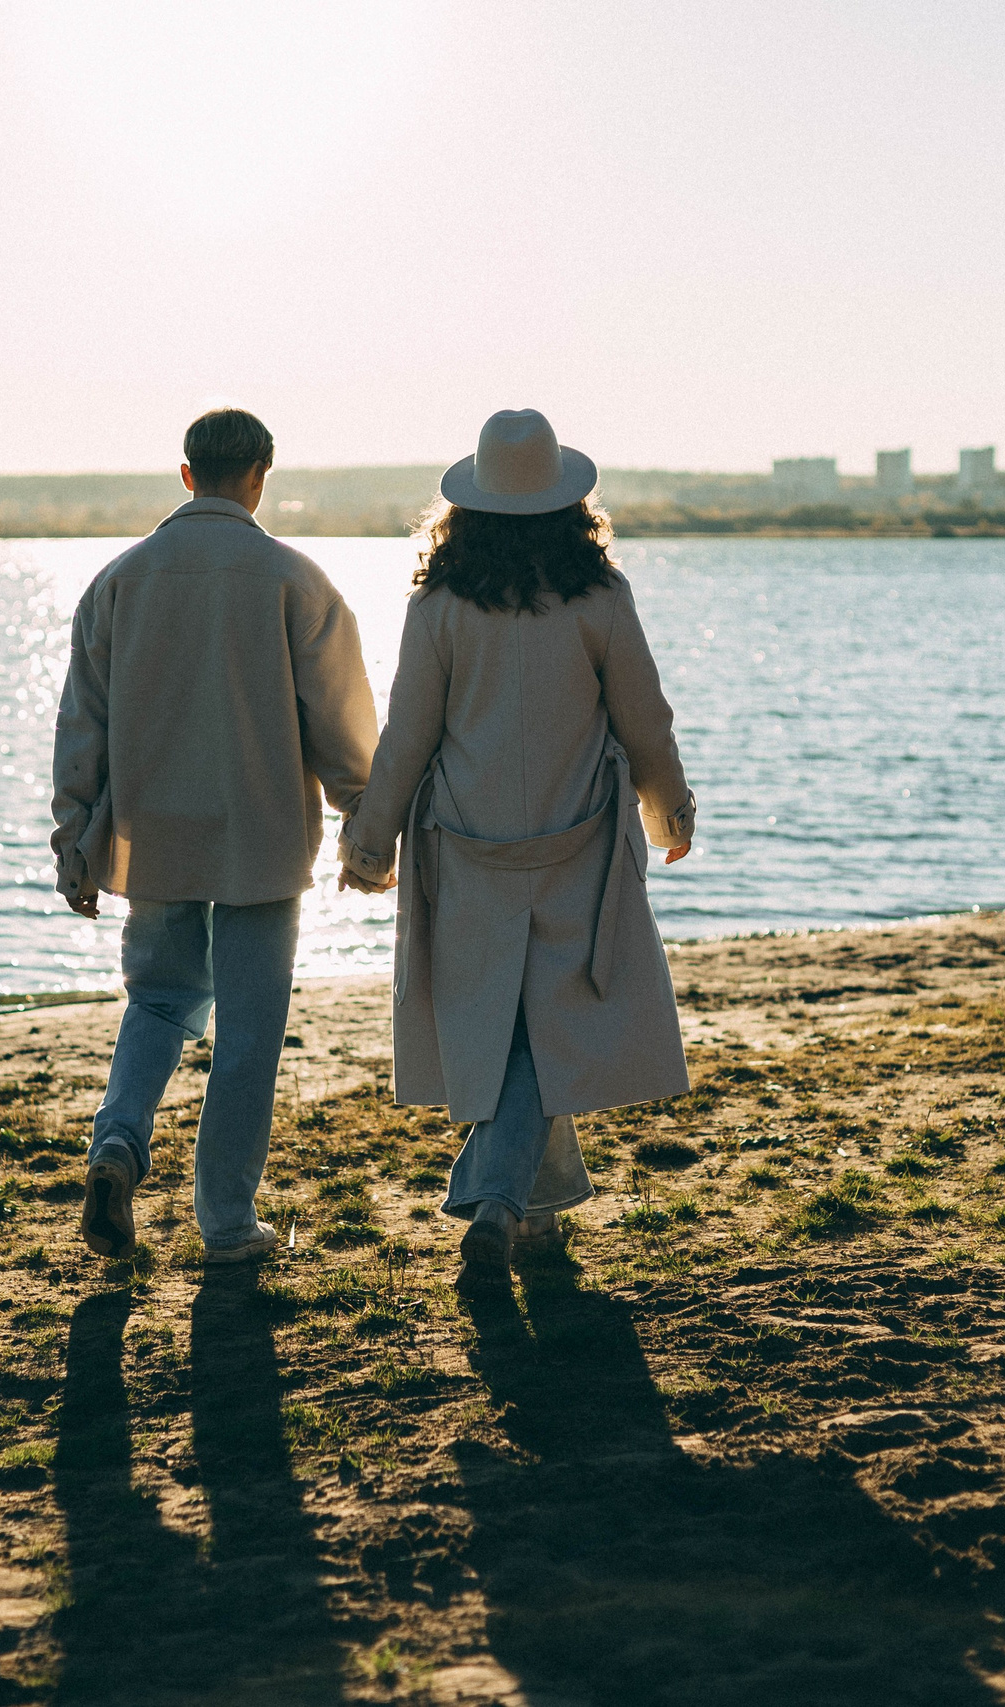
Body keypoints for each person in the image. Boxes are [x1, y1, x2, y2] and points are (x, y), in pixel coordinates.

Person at [338, 409, 695, 1274]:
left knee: (514, 1030)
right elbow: (643, 719)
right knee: (546, 1028)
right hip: (576, 844)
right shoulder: (600, 597)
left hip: (470, 849)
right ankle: (501, 1201)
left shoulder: (440, 606)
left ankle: (530, 1214)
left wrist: (369, 841)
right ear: (569, 505)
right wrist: (669, 807)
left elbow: (408, 737)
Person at [52, 407, 380, 1264]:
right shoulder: (294, 580)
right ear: (261, 477)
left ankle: (118, 1145)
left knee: (159, 999)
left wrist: (75, 836)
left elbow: (82, 723)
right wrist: (365, 826)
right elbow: (341, 729)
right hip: (262, 839)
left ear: (188, 474)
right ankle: (227, 1223)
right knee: (248, 1029)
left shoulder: (119, 580)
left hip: (153, 836)